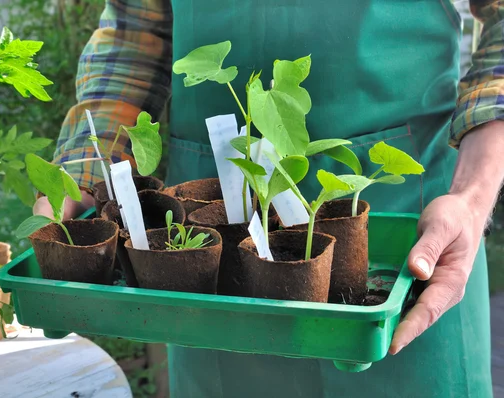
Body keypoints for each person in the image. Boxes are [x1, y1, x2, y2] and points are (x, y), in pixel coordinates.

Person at [34, 1, 502, 396]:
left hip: (399, 220)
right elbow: (137, 29)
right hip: (215, 227)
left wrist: (472, 195)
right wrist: (82, 174)